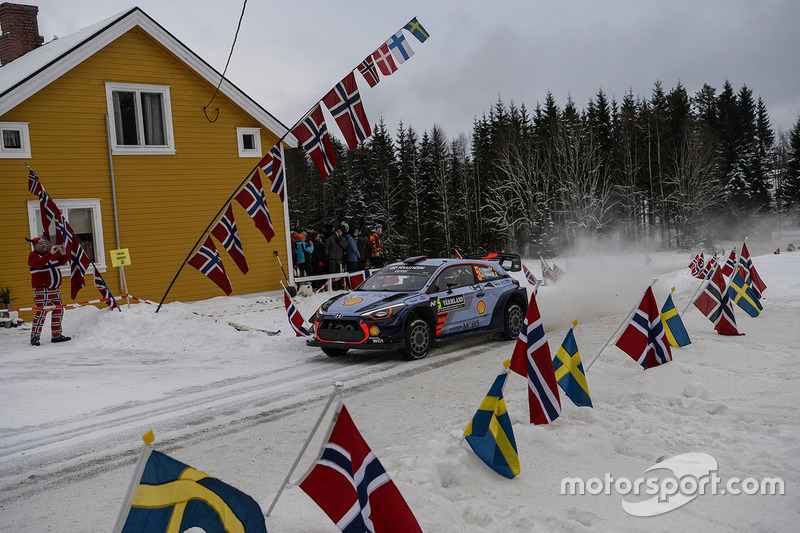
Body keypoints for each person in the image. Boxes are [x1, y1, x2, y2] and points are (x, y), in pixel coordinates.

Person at [27, 236, 71, 346]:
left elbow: (62, 261)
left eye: (44, 243)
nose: (43, 245)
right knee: (41, 312)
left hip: (54, 289)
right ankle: (35, 337)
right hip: (42, 289)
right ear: (35, 246)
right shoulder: (33, 256)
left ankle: (56, 334)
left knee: (59, 310)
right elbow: (39, 263)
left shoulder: (50, 255)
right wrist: (50, 254)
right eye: (40, 244)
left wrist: (63, 253)